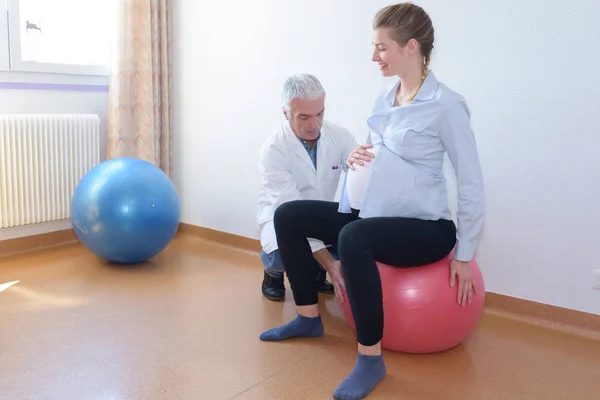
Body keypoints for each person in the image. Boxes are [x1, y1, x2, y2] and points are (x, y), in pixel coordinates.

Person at [258, 3, 485, 400]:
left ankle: (370, 359)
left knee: (354, 238)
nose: (374, 56)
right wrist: (354, 160)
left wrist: (464, 255)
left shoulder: (447, 106)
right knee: (290, 214)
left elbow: (471, 183)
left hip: (425, 227)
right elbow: (374, 158)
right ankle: (308, 317)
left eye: (381, 47)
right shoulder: (385, 98)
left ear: (410, 47)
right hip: (377, 213)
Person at [256, 73, 359, 301]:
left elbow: (361, 177)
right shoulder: (274, 150)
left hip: (320, 212)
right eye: (304, 117)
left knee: (351, 241)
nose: (315, 124)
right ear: (286, 113)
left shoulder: (340, 136)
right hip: (283, 218)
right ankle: (272, 273)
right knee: (282, 254)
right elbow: (293, 215)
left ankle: (316, 273)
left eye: (320, 114)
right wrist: (331, 264)